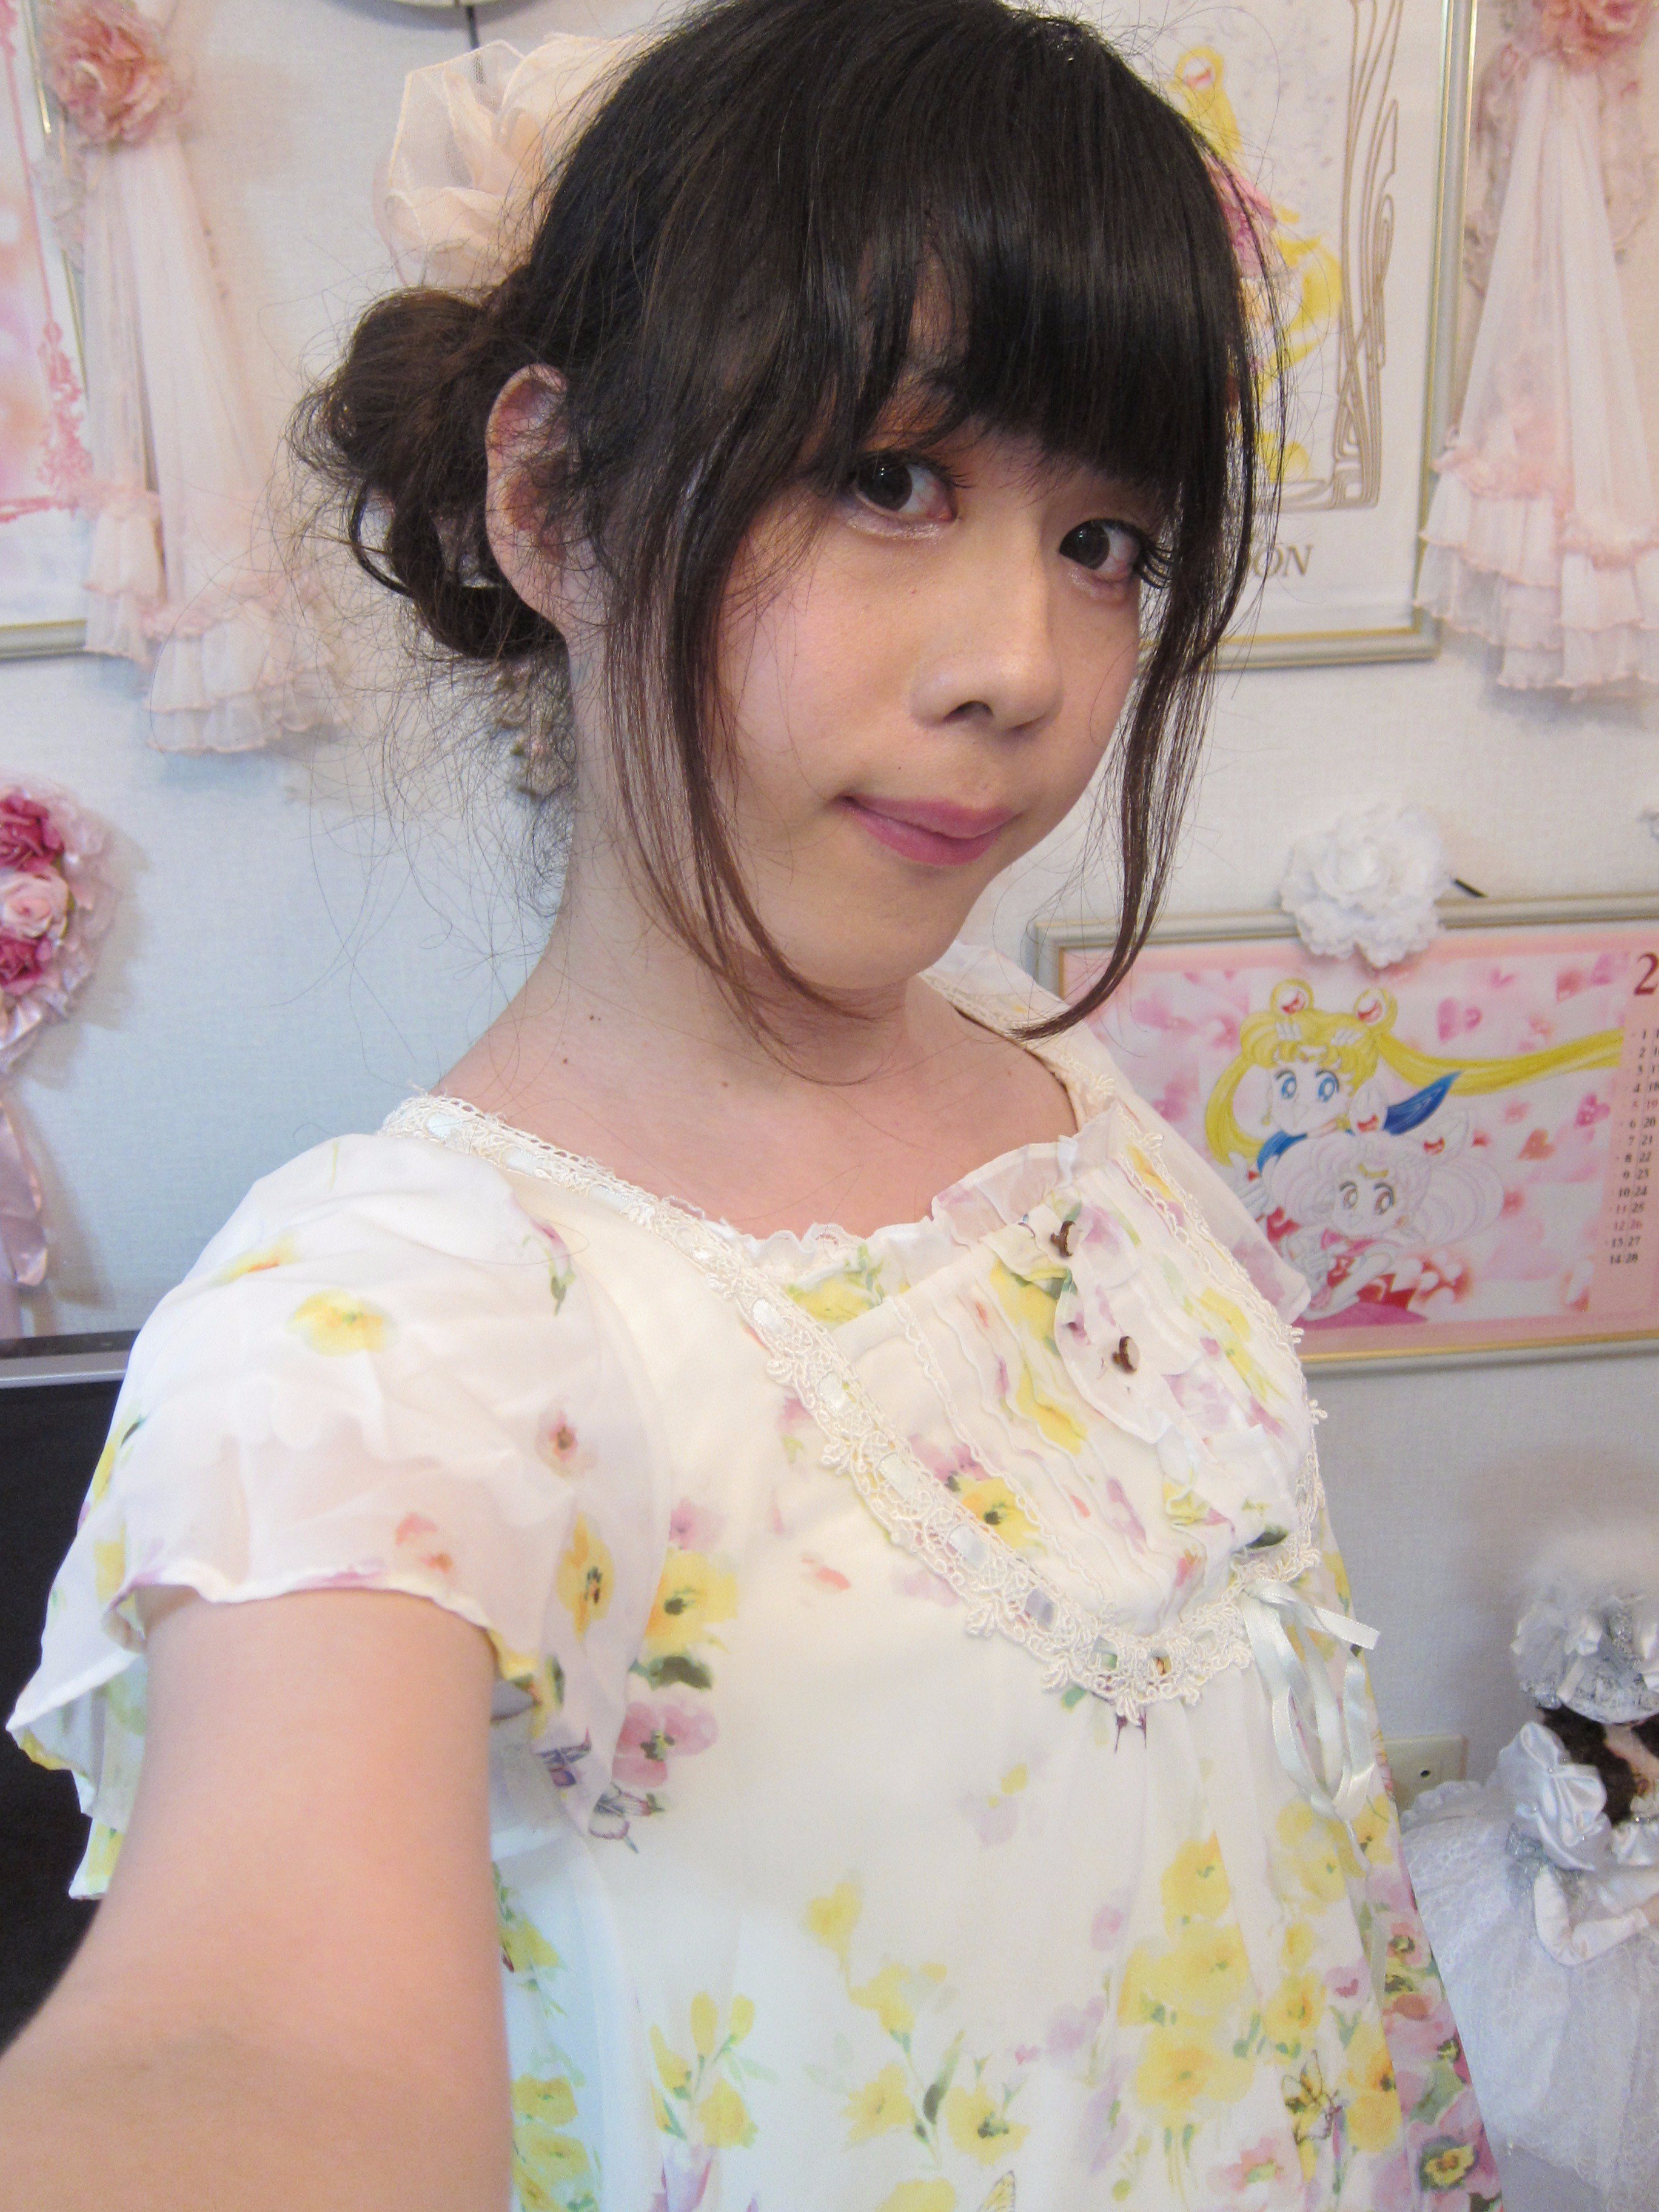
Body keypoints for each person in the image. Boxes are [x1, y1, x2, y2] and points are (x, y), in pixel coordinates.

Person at [0, 3, 1504, 2207]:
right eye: (889, 481)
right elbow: (247, 2053)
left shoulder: (1058, 1082)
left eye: (1108, 541)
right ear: (552, 504)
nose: (1025, 667)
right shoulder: (388, 1324)